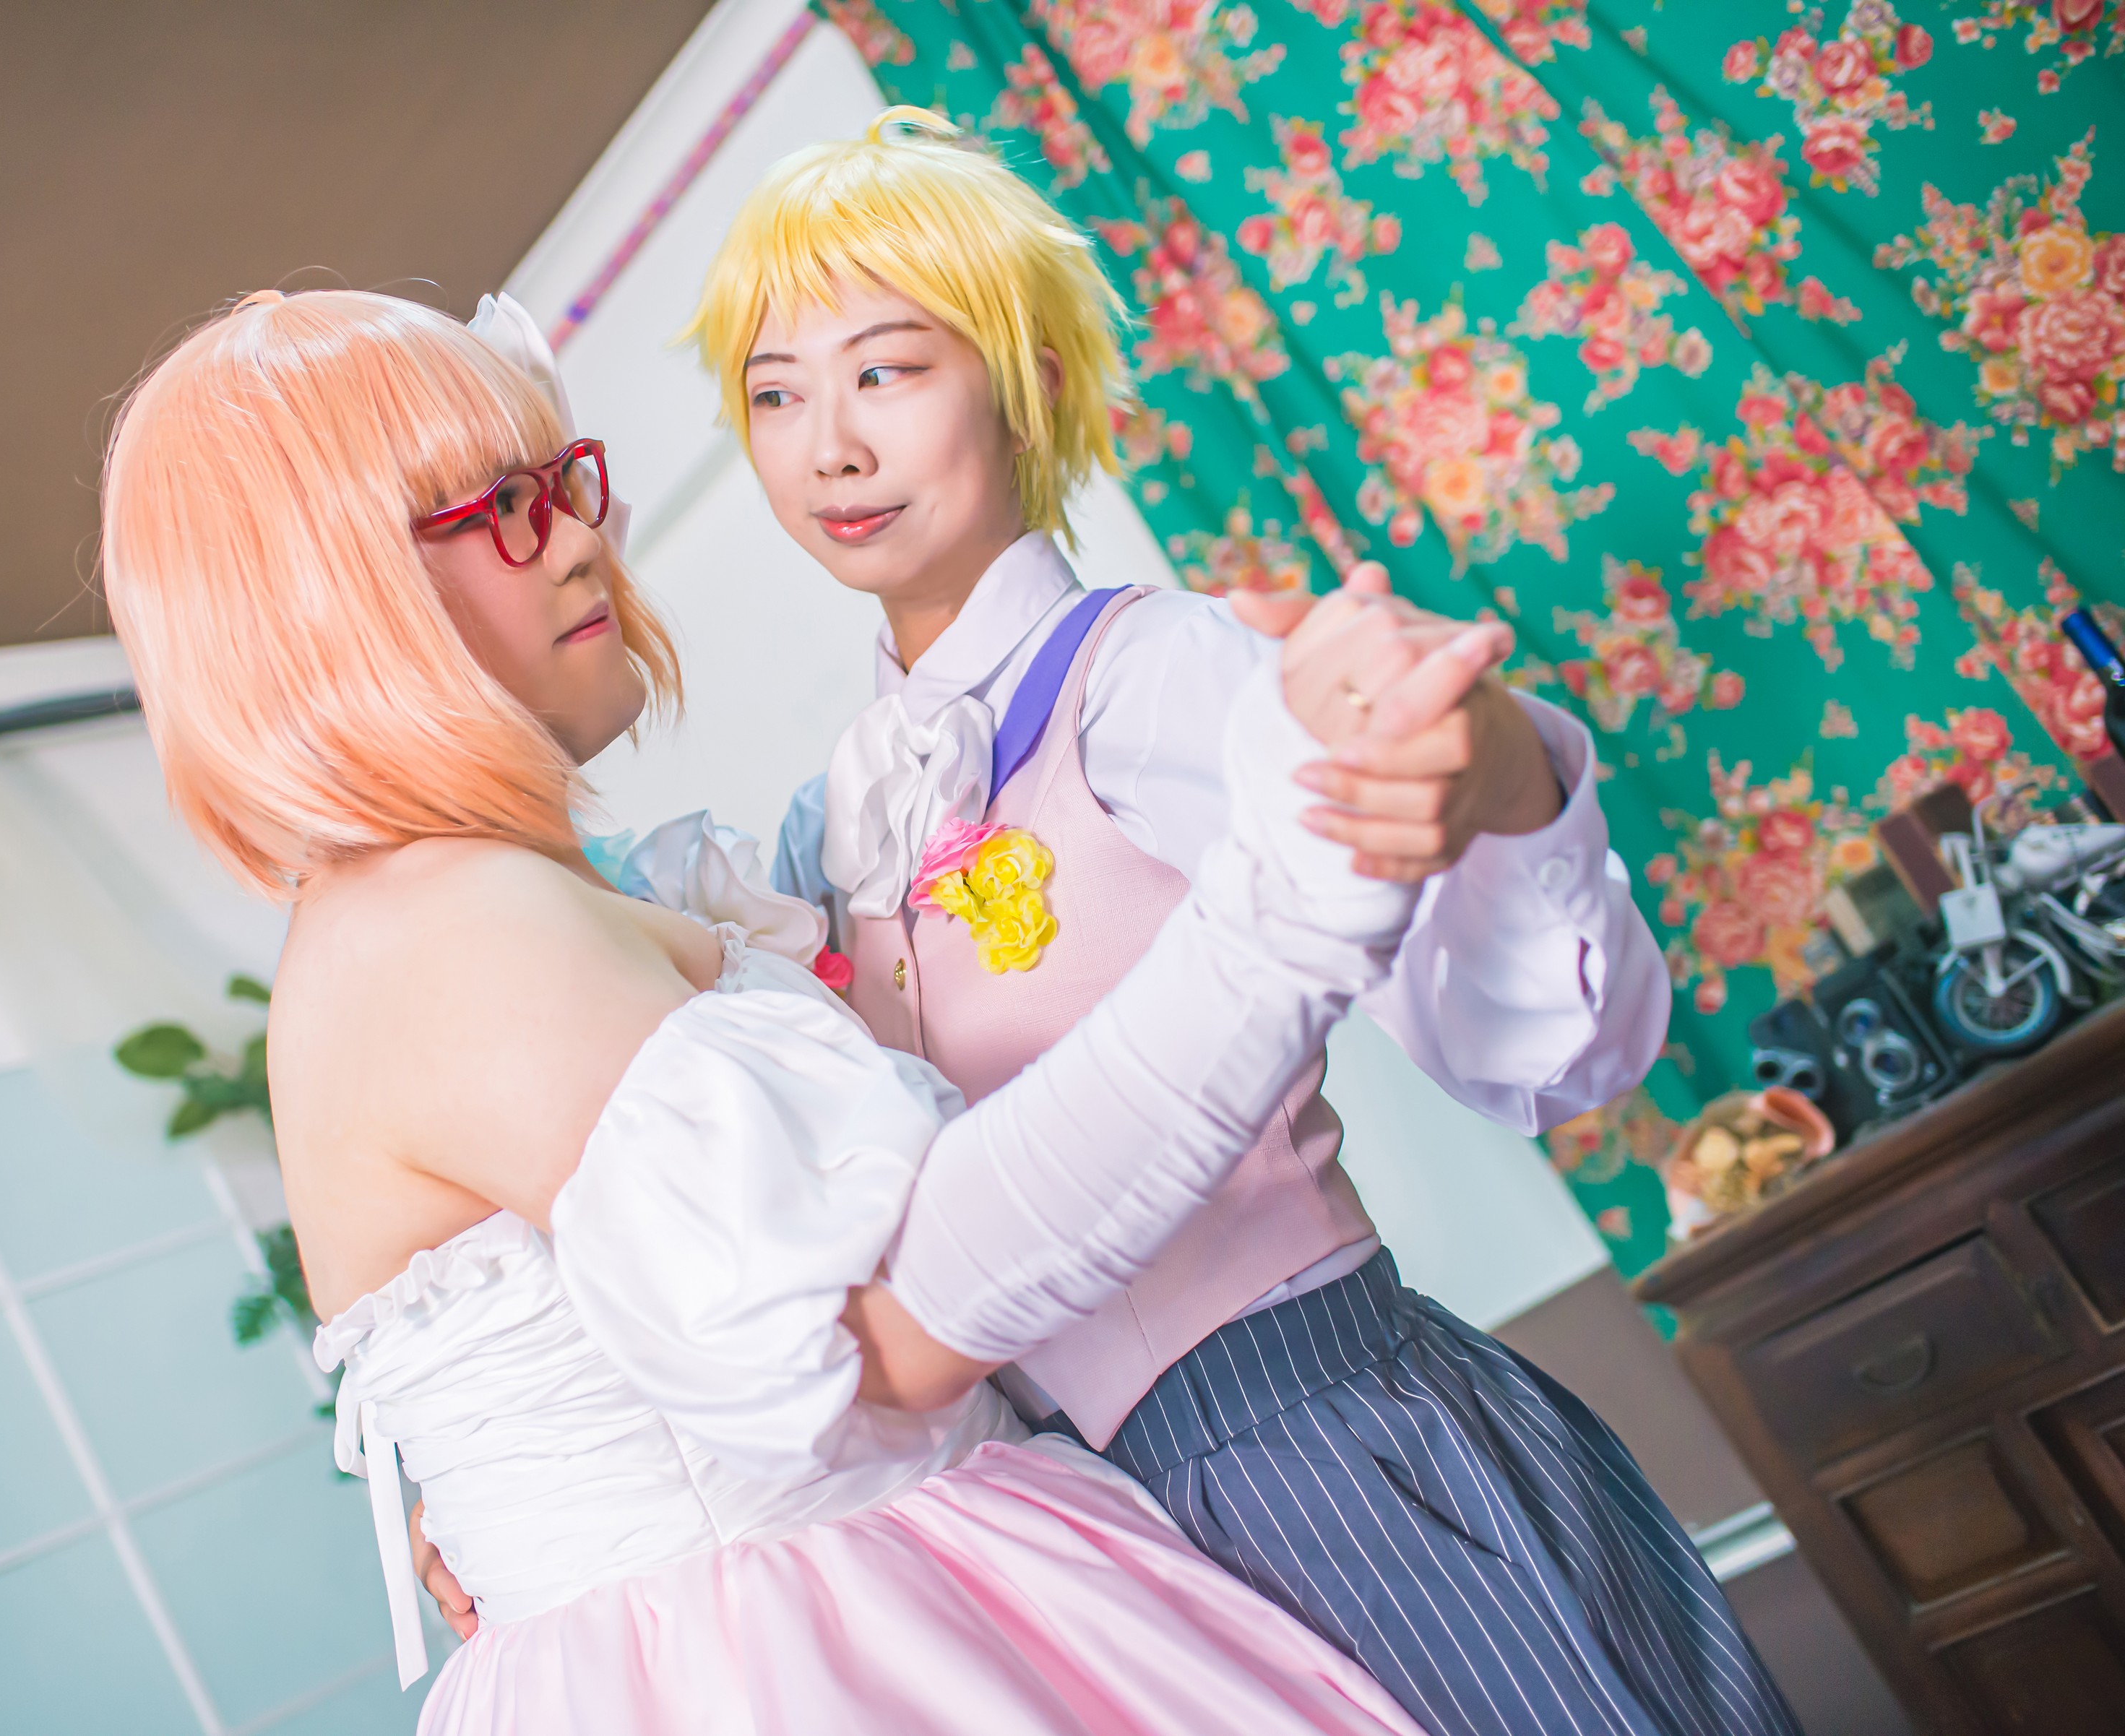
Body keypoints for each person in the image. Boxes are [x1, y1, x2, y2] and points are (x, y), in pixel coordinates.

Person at [99, 285, 1504, 1734]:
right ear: (331, 608)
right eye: (502, 509)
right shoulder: (447, 927)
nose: (582, 537)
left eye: (559, 481)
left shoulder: (458, 906)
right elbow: (880, 1339)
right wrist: (1279, 926)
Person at [678, 110, 1798, 1736]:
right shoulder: (825, 824)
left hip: (1325, 1455)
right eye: (775, 393)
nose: (827, 447)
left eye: (888, 370)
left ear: (1029, 386)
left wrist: (1500, 778)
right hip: (1082, 1542)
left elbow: (1539, 1055)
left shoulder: (1154, 673)